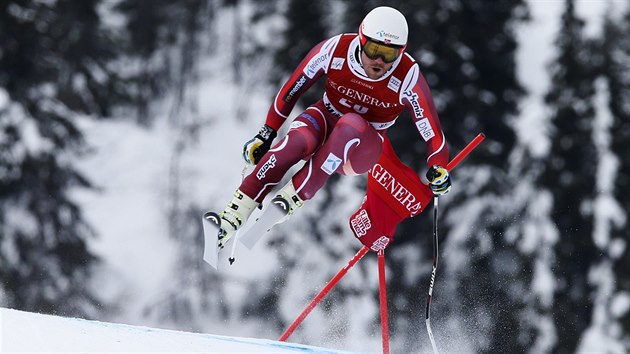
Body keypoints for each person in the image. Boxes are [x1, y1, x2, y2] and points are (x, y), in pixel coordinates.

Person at [211, 6, 451, 248]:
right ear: (361, 40)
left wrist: (438, 167)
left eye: (388, 54)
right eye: (374, 49)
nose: (379, 61)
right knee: (293, 143)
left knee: (351, 124)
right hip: (325, 118)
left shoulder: (408, 77)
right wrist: (266, 134)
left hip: (361, 149)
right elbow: (291, 90)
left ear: (401, 52)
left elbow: (432, 133)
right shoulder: (335, 50)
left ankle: (292, 197)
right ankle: (231, 217)